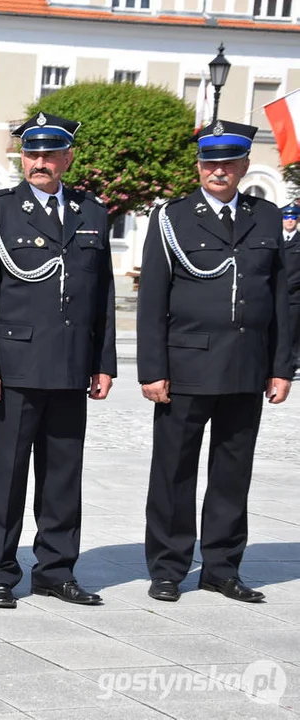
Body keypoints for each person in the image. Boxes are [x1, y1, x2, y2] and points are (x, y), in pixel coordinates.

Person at [0, 112, 116, 610]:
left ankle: (55, 569)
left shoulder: (90, 212)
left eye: (50, 154)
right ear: (22, 158)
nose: (40, 162)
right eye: (32, 154)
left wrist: (103, 361)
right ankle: (0, 571)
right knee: (6, 473)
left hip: (71, 366)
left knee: (63, 474)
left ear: (68, 158)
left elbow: (102, 294)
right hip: (15, 366)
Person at [137, 120, 291, 604]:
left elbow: (282, 298)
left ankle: (222, 567)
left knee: (233, 471)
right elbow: (152, 301)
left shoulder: (266, 218)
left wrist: (282, 366)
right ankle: (168, 567)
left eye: (227, 163)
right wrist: (151, 369)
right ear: (199, 166)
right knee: (173, 470)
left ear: (244, 166)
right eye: (209, 162)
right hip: (186, 367)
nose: (217, 170)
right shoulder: (172, 218)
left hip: (247, 366)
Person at [282, 203, 300, 378]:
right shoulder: (276, 240)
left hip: (294, 296)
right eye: (286, 217)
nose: (289, 220)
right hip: (275, 295)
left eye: (293, 217)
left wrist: (288, 285)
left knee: (293, 333)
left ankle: (293, 364)